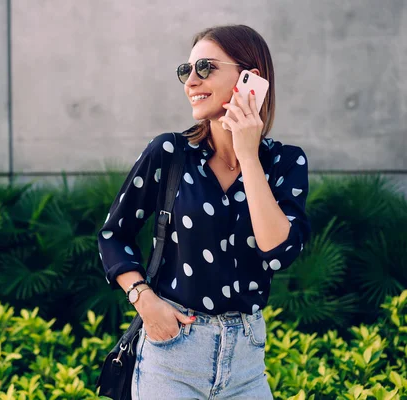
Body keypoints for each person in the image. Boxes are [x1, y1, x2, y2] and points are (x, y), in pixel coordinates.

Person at [97, 24, 311, 399]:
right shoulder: (170, 153)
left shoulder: (285, 162)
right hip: (172, 355)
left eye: (206, 68)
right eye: (187, 70)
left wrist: (247, 154)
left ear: (250, 79)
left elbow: (278, 252)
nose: (191, 81)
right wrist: (144, 301)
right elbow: (113, 234)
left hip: (247, 364)